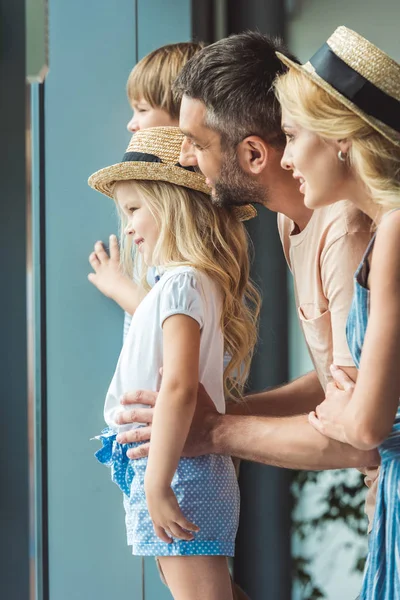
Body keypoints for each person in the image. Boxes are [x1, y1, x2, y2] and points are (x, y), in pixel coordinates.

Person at [115, 32, 379, 520]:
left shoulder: (346, 233)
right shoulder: (290, 217)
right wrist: (222, 413)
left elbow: (364, 437)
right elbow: (337, 380)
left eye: (195, 143)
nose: (186, 159)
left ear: (254, 155)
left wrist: (215, 431)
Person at [88, 126, 260, 600]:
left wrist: (159, 485)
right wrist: (121, 286)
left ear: (171, 204)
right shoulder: (180, 284)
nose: (126, 226)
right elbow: (153, 323)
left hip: (179, 470)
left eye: (133, 209)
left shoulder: (183, 284)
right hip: (172, 467)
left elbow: (180, 387)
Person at [275, 25, 400, 599]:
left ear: (341, 138)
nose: (286, 157)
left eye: (293, 135)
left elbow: (367, 428)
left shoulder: (395, 230)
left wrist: (340, 411)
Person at [87, 42, 203, 340]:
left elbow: (175, 313)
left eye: (141, 110)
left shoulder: (188, 215)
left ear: (184, 116)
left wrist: (118, 287)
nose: (131, 124)